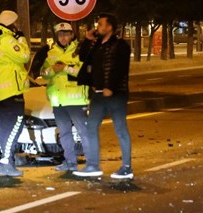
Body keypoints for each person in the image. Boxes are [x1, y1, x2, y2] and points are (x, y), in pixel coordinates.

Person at [73, 13, 133, 179]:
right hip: (98, 95)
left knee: (120, 129)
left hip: (116, 95)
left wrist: (111, 88)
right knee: (91, 127)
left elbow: (121, 69)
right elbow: (83, 57)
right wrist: (87, 40)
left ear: (109, 27)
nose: (97, 27)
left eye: (100, 24)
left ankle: (127, 167)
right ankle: (92, 165)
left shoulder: (120, 45)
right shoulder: (97, 45)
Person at [36, 22, 90, 172]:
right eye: (60, 34)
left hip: (76, 99)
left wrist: (65, 68)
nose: (63, 37)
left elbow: (83, 72)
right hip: (58, 101)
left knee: (84, 132)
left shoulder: (80, 51)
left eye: (66, 34)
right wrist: (53, 69)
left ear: (72, 35)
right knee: (64, 133)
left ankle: (91, 163)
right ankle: (70, 162)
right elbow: (44, 74)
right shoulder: (51, 53)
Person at [0, 10, 30, 178]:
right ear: (12, 24)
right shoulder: (6, 39)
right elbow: (24, 56)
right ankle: (6, 161)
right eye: (16, 23)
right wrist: (22, 39)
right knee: (16, 125)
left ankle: (7, 162)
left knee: (6, 128)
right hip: (12, 89)